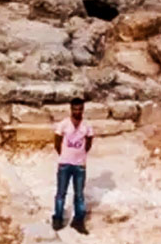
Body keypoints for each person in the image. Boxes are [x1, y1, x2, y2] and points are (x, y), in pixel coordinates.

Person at [52, 97, 94, 234]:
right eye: (75, 109)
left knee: (79, 195)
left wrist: (80, 155)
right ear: (71, 109)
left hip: (79, 165)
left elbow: (88, 143)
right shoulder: (63, 124)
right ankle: (58, 218)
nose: (77, 111)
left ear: (83, 109)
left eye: (80, 109)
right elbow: (57, 143)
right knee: (61, 193)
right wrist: (65, 155)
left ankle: (78, 221)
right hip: (65, 164)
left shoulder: (86, 126)